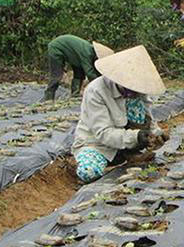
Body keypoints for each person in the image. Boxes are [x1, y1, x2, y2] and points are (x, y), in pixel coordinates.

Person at [71, 45, 168, 184]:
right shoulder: (96, 91)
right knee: (88, 172)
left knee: (137, 107)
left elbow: (147, 116)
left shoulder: (138, 90)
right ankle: (122, 155)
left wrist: (156, 134)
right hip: (97, 145)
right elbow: (103, 133)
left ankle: (131, 154)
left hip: (126, 145)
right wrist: (135, 136)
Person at [42, 35, 114, 101]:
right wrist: (102, 87)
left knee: (79, 73)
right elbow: (90, 73)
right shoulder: (87, 53)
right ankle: (48, 98)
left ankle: (75, 94)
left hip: (72, 54)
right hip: (56, 48)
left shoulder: (88, 52)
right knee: (56, 75)